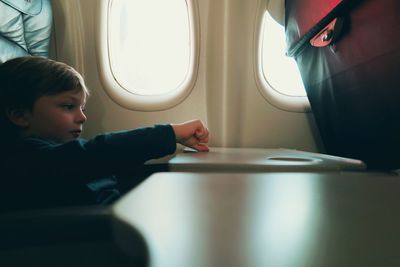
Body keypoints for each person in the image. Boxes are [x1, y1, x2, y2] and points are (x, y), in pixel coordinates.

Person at [0, 56, 209, 212]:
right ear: (20, 115)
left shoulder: (58, 154)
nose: (82, 117)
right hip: (95, 237)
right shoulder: (20, 161)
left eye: (82, 108)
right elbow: (96, 154)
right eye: (68, 106)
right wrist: (169, 133)